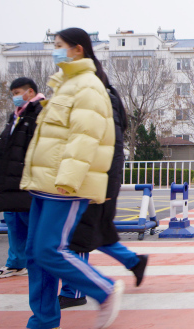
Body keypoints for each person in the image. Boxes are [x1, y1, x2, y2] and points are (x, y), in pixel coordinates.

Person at [20, 27, 122, 329]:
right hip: (44, 182)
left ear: (77, 49)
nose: (55, 50)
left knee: (49, 250)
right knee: (35, 256)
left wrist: (70, 179)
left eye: (59, 45)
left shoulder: (88, 86)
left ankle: (103, 290)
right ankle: (43, 320)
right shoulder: (65, 84)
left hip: (63, 183)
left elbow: (85, 135)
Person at [58, 76, 149, 309]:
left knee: (79, 235)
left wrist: (107, 186)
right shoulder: (103, 100)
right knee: (97, 232)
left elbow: (108, 147)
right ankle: (134, 261)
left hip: (96, 180)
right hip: (96, 178)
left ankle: (74, 290)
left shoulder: (101, 101)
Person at [0, 77, 44, 279]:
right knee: (13, 222)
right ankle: (17, 263)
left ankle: (39, 263)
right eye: (13, 94)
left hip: (26, 181)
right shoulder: (17, 116)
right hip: (10, 181)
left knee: (31, 224)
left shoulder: (39, 113)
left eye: (18, 93)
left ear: (31, 92)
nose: (15, 97)